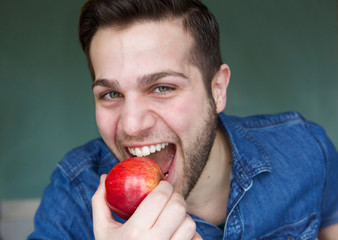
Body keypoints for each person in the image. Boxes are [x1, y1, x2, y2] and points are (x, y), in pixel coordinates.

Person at [28, 0, 338, 239]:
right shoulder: (74, 196)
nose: (132, 125)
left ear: (217, 90)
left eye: (162, 87)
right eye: (111, 94)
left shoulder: (307, 151)